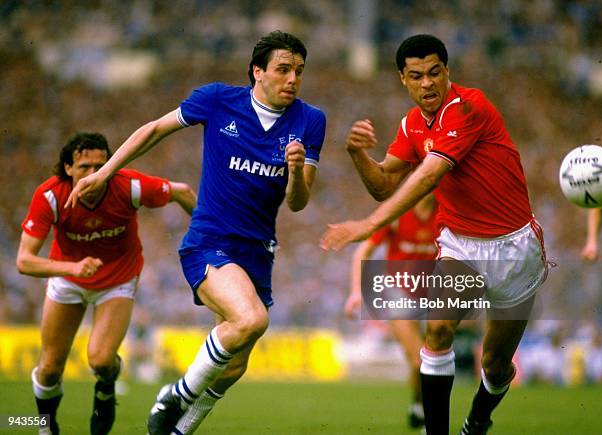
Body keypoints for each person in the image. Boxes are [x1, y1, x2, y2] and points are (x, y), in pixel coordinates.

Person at [66, 31, 326, 435]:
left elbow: (297, 202)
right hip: (210, 241)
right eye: (283, 69)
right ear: (257, 72)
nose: (293, 79)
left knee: (236, 362)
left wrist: (294, 171)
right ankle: (176, 395)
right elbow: (153, 129)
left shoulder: (311, 120)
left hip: (258, 251)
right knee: (251, 319)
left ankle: (177, 430)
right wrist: (104, 172)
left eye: (299, 71)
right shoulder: (219, 99)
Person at [321, 34, 549, 434]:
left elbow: (428, 175)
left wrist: (369, 224)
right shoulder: (411, 125)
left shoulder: (468, 106)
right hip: (461, 243)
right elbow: (383, 183)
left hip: (514, 247)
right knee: (438, 327)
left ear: (447, 72)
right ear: (402, 80)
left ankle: (478, 419)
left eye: (434, 73)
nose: (427, 83)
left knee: (495, 365)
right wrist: (358, 155)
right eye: (416, 76)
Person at [16, 132, 196, 435]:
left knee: (100, 360)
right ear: (68, 169)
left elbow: (183, 191)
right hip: (68, 277)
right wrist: (73, 267)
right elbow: (24, 261)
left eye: (100, 166)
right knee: (48, 369)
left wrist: (212, 233)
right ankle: (45, 427)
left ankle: (106, 387)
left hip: (118, 279)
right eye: (84, 167)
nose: (92, 173)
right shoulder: (50, 196)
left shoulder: (129, 186)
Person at [345, 194, 437, 430]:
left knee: (435, 358)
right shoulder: (397, 213)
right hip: (399, 293)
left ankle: (418, 404)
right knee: (419, 361)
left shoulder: (446, 210)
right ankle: (428, 415)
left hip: (434, 292)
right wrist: (356, 291)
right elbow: (362, 251)